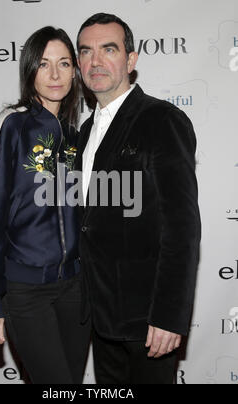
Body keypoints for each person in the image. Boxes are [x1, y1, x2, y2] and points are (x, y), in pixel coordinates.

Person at [75, 13, 201, 384]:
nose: (95, 61)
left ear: (130, 60)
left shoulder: (161, 120)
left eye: (108, 50)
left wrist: (169, 315)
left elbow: (182, 227)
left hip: (148, 320)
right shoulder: (84, 131)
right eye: (86, 51)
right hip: (99, 316)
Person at [0, 26, 91, 384]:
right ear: (29, 69)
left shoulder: (73, 135)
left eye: (65, 63)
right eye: (44, 64)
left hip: (75, 289)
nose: (55, 74)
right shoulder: (9, 127)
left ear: (75, 71)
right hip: (26, 292)